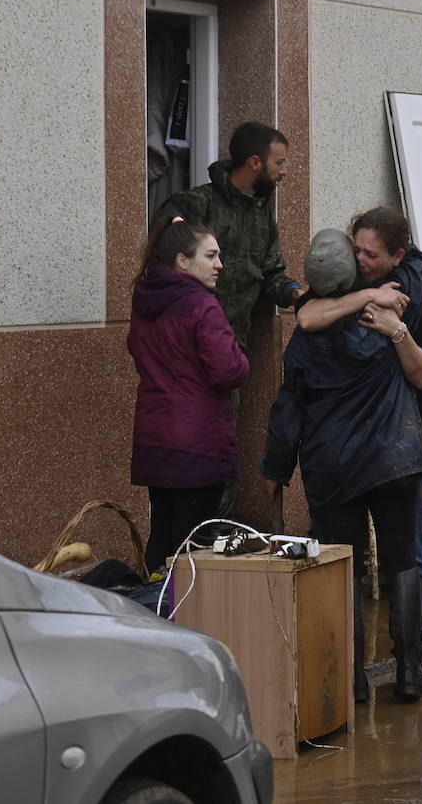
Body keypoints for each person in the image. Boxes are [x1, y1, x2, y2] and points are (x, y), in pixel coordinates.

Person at [262, 210, 422, 703]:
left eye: (371, 253)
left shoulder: (307, 335)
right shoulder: (386, 316)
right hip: (395, 460)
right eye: (356, 253)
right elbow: (421, 373)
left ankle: (352, 681)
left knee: (344, 569)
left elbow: (287, 408)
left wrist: (276, 469)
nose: (364, 260)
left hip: (332, 467)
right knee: (405, 563)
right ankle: (407, 672)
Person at [128, 216, 249, 574]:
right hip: (197, 444)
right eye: (210, 256)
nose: (219, 265)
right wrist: (243, 359)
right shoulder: (202, 304)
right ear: (183, 261)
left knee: (162, 537)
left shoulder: (145, 301)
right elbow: (229, 369)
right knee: (193, 549)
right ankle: (183, 621)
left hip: (155, 439)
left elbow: (137, 350)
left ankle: (154, 611)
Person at [152, 121, 303, 348]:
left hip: (231, 347)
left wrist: (294, 293)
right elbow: (162, 230)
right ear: (255, 163)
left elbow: (271, 274)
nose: (284, 171)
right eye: (279, 163)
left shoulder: (262, 216)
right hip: (186, 344)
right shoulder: (199, 203)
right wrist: (178, 224)